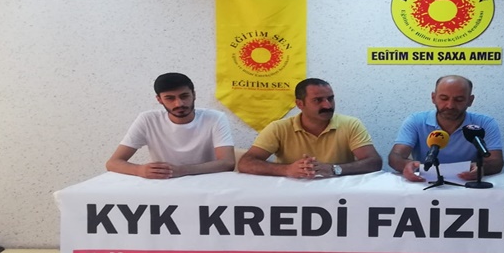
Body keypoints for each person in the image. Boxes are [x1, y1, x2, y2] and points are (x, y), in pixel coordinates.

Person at [238, 78, 382, 179]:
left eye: (330, 98)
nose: (327, 105)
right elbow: (245, 163)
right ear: (300, 104)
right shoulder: (279, 128)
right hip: (289, 194)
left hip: (338, 195)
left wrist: (334, 169)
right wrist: (287, 169)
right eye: (318, 100)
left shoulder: (351, 124)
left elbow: (374, 162)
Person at [106, 72, 236, 179]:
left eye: (184, 96)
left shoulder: (215, 118)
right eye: (170, 98)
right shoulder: (148, 119)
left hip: (207, 183)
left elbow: (228, 163)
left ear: (194, 95)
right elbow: (113, 163)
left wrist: (181, 170)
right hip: (165, 185)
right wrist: (139, 170)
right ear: (159, 100)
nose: (179, 104)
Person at [388, 75, 504, 182]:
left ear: (470, 100)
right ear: (433, 98)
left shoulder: (484, 123)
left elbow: (496, 161)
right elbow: (395, 156)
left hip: (468, 184)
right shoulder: (416, 121)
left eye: (459, 100)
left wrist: (482, 167)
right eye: (444, 98)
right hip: (425, 183)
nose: (450, 105)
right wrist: (405, 165)